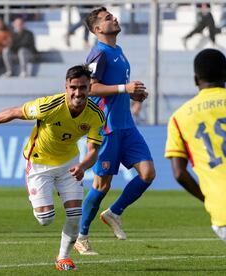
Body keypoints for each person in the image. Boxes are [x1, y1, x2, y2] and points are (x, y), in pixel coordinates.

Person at [0, 65, 105, 271]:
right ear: (66, 87)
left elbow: (93, 151)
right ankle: (34, 190)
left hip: (69, 165)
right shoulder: (50, 105)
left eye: (83, 88)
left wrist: (82, 166)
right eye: (73, 87)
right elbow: (15, 112)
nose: (77, 93)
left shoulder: (96, 115)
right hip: (39, 163)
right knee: (45, 219)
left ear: (90, 88)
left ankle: (63, 258)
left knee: (75, 215)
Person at [74, 7, 155, 255]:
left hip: (127, 125)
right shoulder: (99, 53)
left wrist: (135, 94)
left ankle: (114, 213)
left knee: (148, 173)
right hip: (107, 127)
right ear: (97, 29)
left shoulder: (117, 51)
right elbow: (92, 88)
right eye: (108, 18)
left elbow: (118, 88)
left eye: (113, 15)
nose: (114, 18)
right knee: (101, 186)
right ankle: (81, 237)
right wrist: (124, 88)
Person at [165, 48, 226, 255]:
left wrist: (207, 199)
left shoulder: (179, 118)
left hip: (225, 217)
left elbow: (179, 173)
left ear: (196, 80)